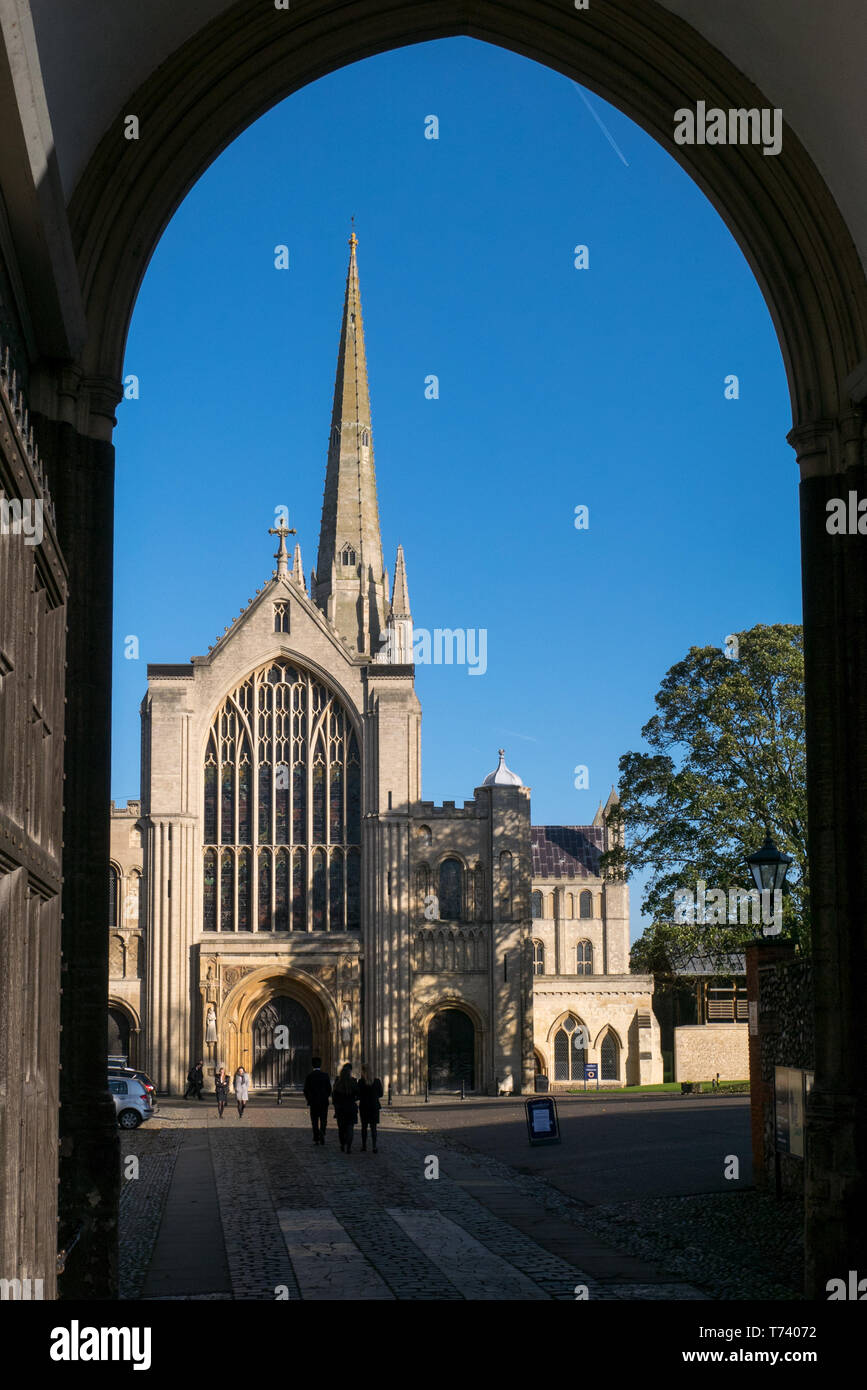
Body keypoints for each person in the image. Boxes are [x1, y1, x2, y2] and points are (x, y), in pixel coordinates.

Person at [303, 1057, 332, 1145]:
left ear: (312, 1065)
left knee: (314, 1120)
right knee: (324, 1119)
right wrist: (325, 1096)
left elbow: (306, 1090)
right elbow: (329, 1089)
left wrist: (309, 1099)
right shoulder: (325, 1076)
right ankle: (322, 1132)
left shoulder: (309, 1076)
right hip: (323, 1102)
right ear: (320, 1064)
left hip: (313, 1102)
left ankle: (316, 1137)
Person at [332, 1062, 359, 1152]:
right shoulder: (353, 1082)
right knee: (350, 1127)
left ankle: (342, 1144)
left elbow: (334, 1096)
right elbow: (357, 1095)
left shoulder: (338, 1083)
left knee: (341, 1128)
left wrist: (336, 1105)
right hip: (351, 1108)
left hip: (340, 1109)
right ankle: (349, 1146)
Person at [357, 1063, 383, 1153]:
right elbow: (381, 1094)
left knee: (364, 1127)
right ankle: (374, 1146)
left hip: (364, 1107)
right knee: (373, 1128)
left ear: (363, 1071)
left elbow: (358, 1095)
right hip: (374, 1106)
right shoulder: (377, 1081)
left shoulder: (360, 1082)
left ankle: (364, 1146)